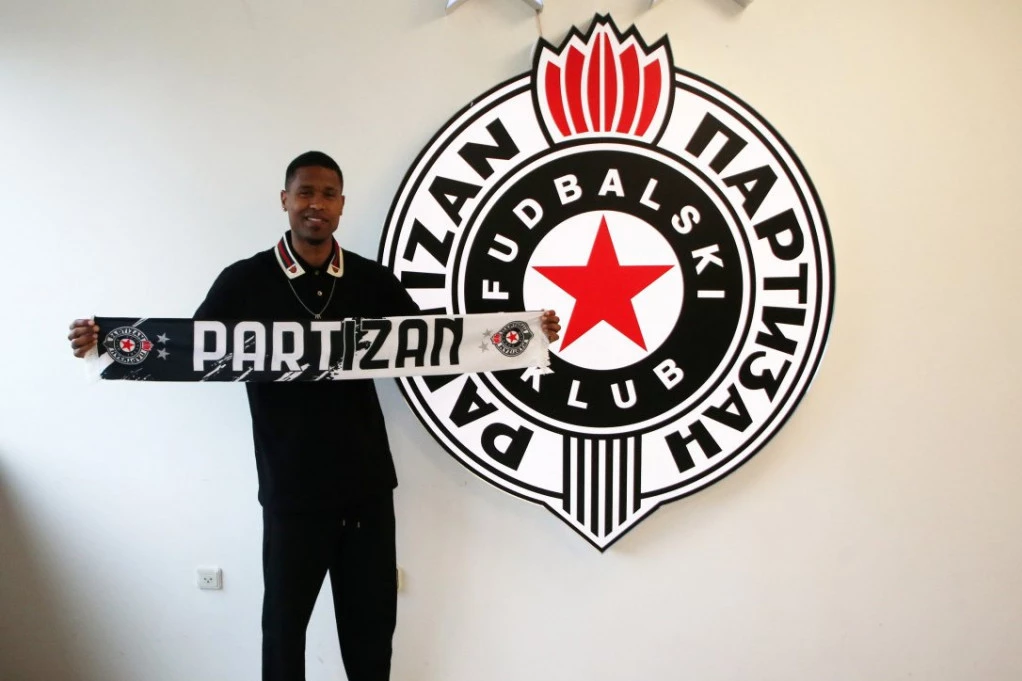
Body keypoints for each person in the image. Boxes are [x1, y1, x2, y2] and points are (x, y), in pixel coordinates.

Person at [67, 151, 561, 681]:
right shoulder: (245, 280)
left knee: (371, 630)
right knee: (284, 631)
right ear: (285, 200)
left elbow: (438, 346)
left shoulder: (372, 280)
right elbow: (190, 350)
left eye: (328, 195)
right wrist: (106, 343)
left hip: (367, 487)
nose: (316, 205)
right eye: (305, 192)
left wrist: (525, 337)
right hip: (291, 489)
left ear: (342, 205)